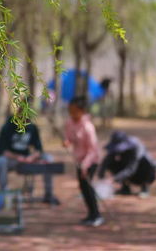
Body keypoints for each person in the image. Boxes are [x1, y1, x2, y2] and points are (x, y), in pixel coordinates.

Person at [0, 111, 60, 205]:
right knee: (1, 161)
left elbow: (39, 149)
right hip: (12, 159)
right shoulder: (7, 127)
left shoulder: (32, 128)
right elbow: (1, 151)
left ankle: (48, 195)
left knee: (48, 158)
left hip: (28, 159)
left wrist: (32, 157)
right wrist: (18, 157)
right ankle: (4, 193)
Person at [63, 96, 104, 227]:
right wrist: (67, 142)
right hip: (79, 160)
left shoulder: (88, 127)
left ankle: (97, 214)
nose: (72, 114)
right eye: (70, 111)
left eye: (75, 111)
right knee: (82, 187)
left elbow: (93, 149)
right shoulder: (69, 122)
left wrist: (85, 165)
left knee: (87, 186)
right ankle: (91, 214)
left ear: (82, 111)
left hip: (91, 160)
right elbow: (69, 137)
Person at [98, 131, 156, 198]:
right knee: (112, 163)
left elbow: (131, 169)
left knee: (145, 164)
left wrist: (113, 179)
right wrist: (101, 176)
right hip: (130, 168)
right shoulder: (117, 148)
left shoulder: (136, 147)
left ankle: (144, 187)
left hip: (143, 170)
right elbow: (107, 160)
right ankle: (125, 188)